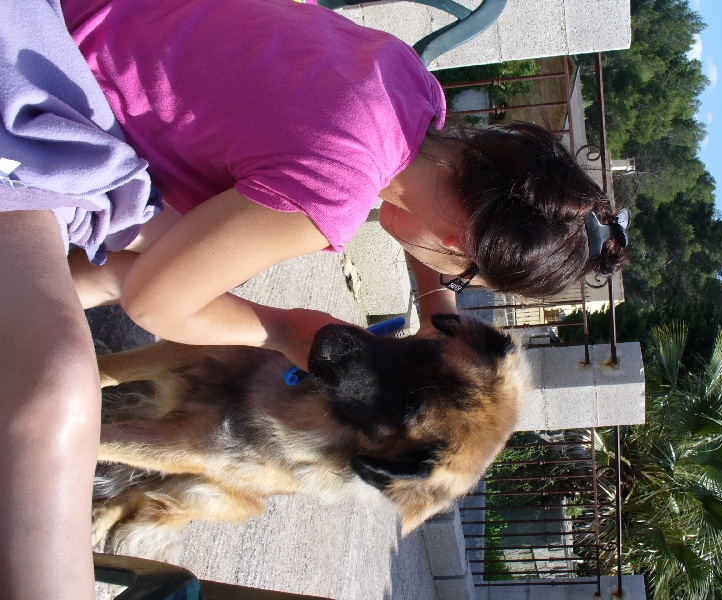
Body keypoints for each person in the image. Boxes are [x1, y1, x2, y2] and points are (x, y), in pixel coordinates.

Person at [0, 0, 628, 598]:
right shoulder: (333, 189)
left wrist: (442, 317)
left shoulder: (413, 91)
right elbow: (153, 306)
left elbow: (422, 220)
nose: (448, 290)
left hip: (94, 27)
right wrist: (281, 328)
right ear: (457, 244)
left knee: (176, 255)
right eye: (461, 277)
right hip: (44, 97)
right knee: (58, 393)